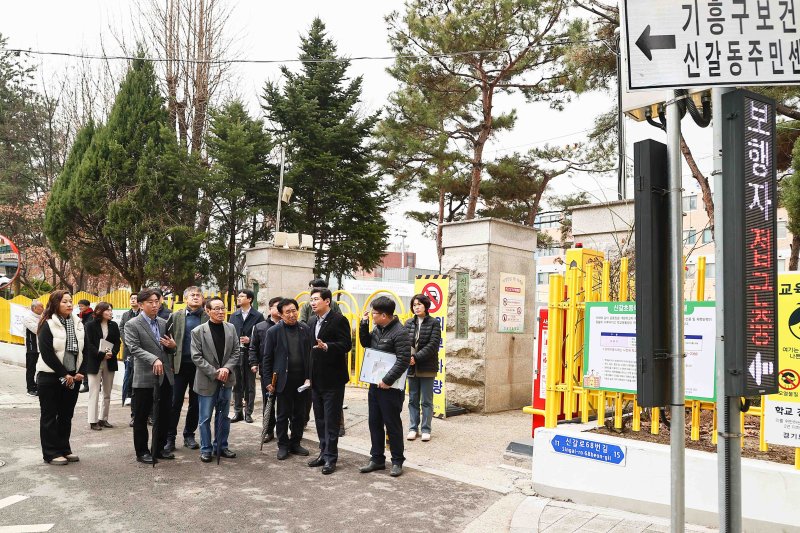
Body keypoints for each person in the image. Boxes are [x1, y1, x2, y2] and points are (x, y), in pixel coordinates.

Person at [358, 296, 411, 477]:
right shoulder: (378, 328)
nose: (372, 315)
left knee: (392, 423)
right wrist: (363, 324)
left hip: (391, 388)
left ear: (384, 315)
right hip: (375, 385)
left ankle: (397, 461)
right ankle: (377, 459)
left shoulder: (400, 332)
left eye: (374, 313)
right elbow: (366, 344)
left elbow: (403, 360)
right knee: (374, 422)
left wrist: (388, 380)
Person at [124, 288, 177, 464]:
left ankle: (159, 448)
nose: (155, 305)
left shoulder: (163, 322)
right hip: (144, 377)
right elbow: (133, 348)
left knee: (163, 415)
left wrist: (172, 345)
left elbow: (170, 348)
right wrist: (153, 359)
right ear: (140, 305)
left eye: (157, 301)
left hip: (165, 376)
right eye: (150, 302)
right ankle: (142, 451)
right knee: (141, 416)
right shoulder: (132, 324)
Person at [36, 291, 86, 465]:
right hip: (50, 376)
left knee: (66, 415)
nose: (69, 304)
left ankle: (64, 448)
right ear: (56, 303)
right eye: (64, 301)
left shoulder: (78, 323)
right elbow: (47, 353)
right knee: (50, 415)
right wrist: (64, 374)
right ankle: (51, 452)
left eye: (71, 301)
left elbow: (83, 351)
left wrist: (79, 372)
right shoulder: (47, 324)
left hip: (73, 376)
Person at [307, 288, 352, 475]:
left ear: (327, 301)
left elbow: (346, 345)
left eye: (316, 299)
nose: (313, 303)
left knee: (331, 420)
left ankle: (331, 458)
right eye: (311, 299)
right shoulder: (311, 321)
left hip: (333, 380)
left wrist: (328, 347)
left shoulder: (339, 319)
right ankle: (323, 453)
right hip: (316, 379)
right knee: (319, 419)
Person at [262, 298, 312, 460]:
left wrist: (309, 378)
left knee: (299, 414)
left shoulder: (305, 329)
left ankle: (295, 443)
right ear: (281, 315)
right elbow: (267, 358)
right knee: (282, 415)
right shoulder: (274, 332)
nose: (292, 314)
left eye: (294, 311)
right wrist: (268, 381)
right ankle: (283, 445)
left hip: (301, 381)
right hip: (282, 380)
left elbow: (310, 356)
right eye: (288, 312)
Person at [191, 297, 240, 463]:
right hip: (207, 380)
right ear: (208, 311)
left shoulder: (231, 328)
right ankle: (206, 449)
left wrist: (226, 368)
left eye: (223, 308)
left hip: (226, 378)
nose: (221, 312)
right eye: (217, 309)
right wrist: (215, 372)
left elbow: (236, 352)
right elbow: (196, 357)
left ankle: (222, 445)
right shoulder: (198, 331)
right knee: (205, 417)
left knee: (224, 416)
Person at [164, 287, 207, 452]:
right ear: (185, 298)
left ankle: (189, 434)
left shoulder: (207, 316)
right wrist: (170, 359)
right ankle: (170, 437)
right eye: (192, 295)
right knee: (175, 403)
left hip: (200, 367)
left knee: (196, 403)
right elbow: (166, 341)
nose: (196, 298)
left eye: (198, 295)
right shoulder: (176, 317)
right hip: (179, 366)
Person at [405, 294, 441, 442]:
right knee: (413, 399)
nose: (417, 307)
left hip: (427, 366)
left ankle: (426, 429)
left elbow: (433, 345)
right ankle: (413, 428)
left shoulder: (434, 323)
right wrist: (408, 358)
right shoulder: (408, 323)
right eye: (414, 305)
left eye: (419, 304)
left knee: (426, 400)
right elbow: (403, 342)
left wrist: (416, 358)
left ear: (426, 306)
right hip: (411, 367)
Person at [249, 296, 283, 443]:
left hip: (285, 370)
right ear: (270, 309)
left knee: (285, 403)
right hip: (267, 371)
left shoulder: (288, 326)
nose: (280, 309)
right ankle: (268, 430)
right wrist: (254, 362)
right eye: (277, 306)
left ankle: (284, 431)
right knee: (268, 401)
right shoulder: (260, 326)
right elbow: (253, 347)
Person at [229, 289, 264, 423]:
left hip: (250, 354)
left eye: (242, 296)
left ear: (249, 299)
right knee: (236, 384)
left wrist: (250, 339)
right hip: (236, 353)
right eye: (238, 296)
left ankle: (248, 412)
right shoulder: (234, 315)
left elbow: (260, 334)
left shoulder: (258, 316)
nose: (239, 298)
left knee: (250, 384)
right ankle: (237, 412)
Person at [84, 302, 121, 430]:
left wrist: (113, 352)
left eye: (111, 310)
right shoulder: (90, 325)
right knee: (94, 392)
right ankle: (93, 421)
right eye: (108, 310)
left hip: (109, 361)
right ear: (100, 311)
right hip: (94, 361)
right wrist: (100, 354)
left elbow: (117, 342)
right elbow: (88, 344)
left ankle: (103, 418)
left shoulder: (114, 325)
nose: (111, 312)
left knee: (107, 392)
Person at [120, 294, 140, 425]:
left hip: (141, 353)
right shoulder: (126, 315)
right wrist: (127, 341)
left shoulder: (143, 314)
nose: (133, 300)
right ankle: (127, 400)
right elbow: (121, 328)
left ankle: (146, 415)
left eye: (135, 298)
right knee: (129, 378)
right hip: (128, 351)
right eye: (131, 298)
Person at [23, 300, 44, 396]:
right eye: (41, 307)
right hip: (32, 347)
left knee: (41, 368)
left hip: (41, 347)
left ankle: (37, 386)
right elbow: (37, 330)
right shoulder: (28, 318)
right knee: (31, 368)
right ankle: (30, 389)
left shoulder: (42, 317)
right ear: (34, 308)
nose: (43, 309)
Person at [76, 299, 93, 393]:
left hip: (89, 342)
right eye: (79, 306)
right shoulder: (80, 315)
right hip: (82, 341)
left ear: (87, 306)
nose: (80, 308)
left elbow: (86, 327)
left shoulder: (91, 315)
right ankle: (86, 383)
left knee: (87, 363)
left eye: (82, 306)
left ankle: (87, 384)